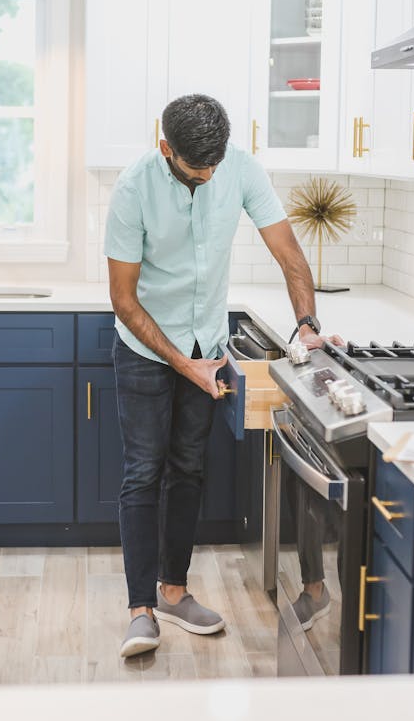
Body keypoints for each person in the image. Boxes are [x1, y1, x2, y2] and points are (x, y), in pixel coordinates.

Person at [104, 93, 340, 658]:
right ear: (167, 150)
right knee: (143, 472)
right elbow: (123, 299)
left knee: (188, 469)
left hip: (205, 341)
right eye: (196, 169)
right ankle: (140, 612)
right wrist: (186, 367)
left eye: (215, 166)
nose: (209, 177)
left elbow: (289, 254)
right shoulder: (133, 187)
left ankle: (174, 593)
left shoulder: (238, 167)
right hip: (145, 347)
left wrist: (307, 324)